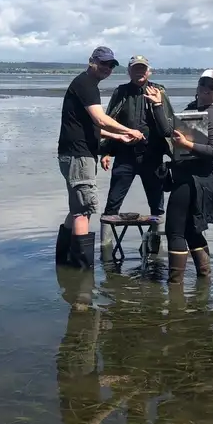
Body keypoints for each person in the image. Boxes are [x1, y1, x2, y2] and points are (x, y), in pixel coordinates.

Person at [56, 46, 146, 269]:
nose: (107, 68)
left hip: (74, 153)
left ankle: (64, 261)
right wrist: (128, 131)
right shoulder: (86, 84)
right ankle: (82, 270)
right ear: (91, 61)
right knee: (83, 210)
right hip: (79, 156)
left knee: (76, 207)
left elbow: (92, 128)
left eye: (110, 65)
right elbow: (100, 119)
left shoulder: (86, 85)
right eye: (103, 63)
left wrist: (117, 137)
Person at [164, 69, 213, 283]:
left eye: (211, 86)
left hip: (197, 181)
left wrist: (186, 144)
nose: (205, 88)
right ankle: (205, 280)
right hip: (187, 175)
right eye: (203, 83)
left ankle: (175, 287)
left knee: (174, 231)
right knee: (191, 230)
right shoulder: (191, 110)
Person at [100, 55, 175, 222]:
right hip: (125, 155)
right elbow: (110, 121)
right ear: (129, 72)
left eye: (142, 68)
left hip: (153, 156)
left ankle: (153, 244)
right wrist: (105, 152)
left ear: (149, 71)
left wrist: (158, 105)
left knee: (157, 207)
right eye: (135, 68)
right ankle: (106, 244)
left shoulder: (159, 91)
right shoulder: (121, 92)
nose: (139, 72)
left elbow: (169, 127)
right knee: (112, 205)